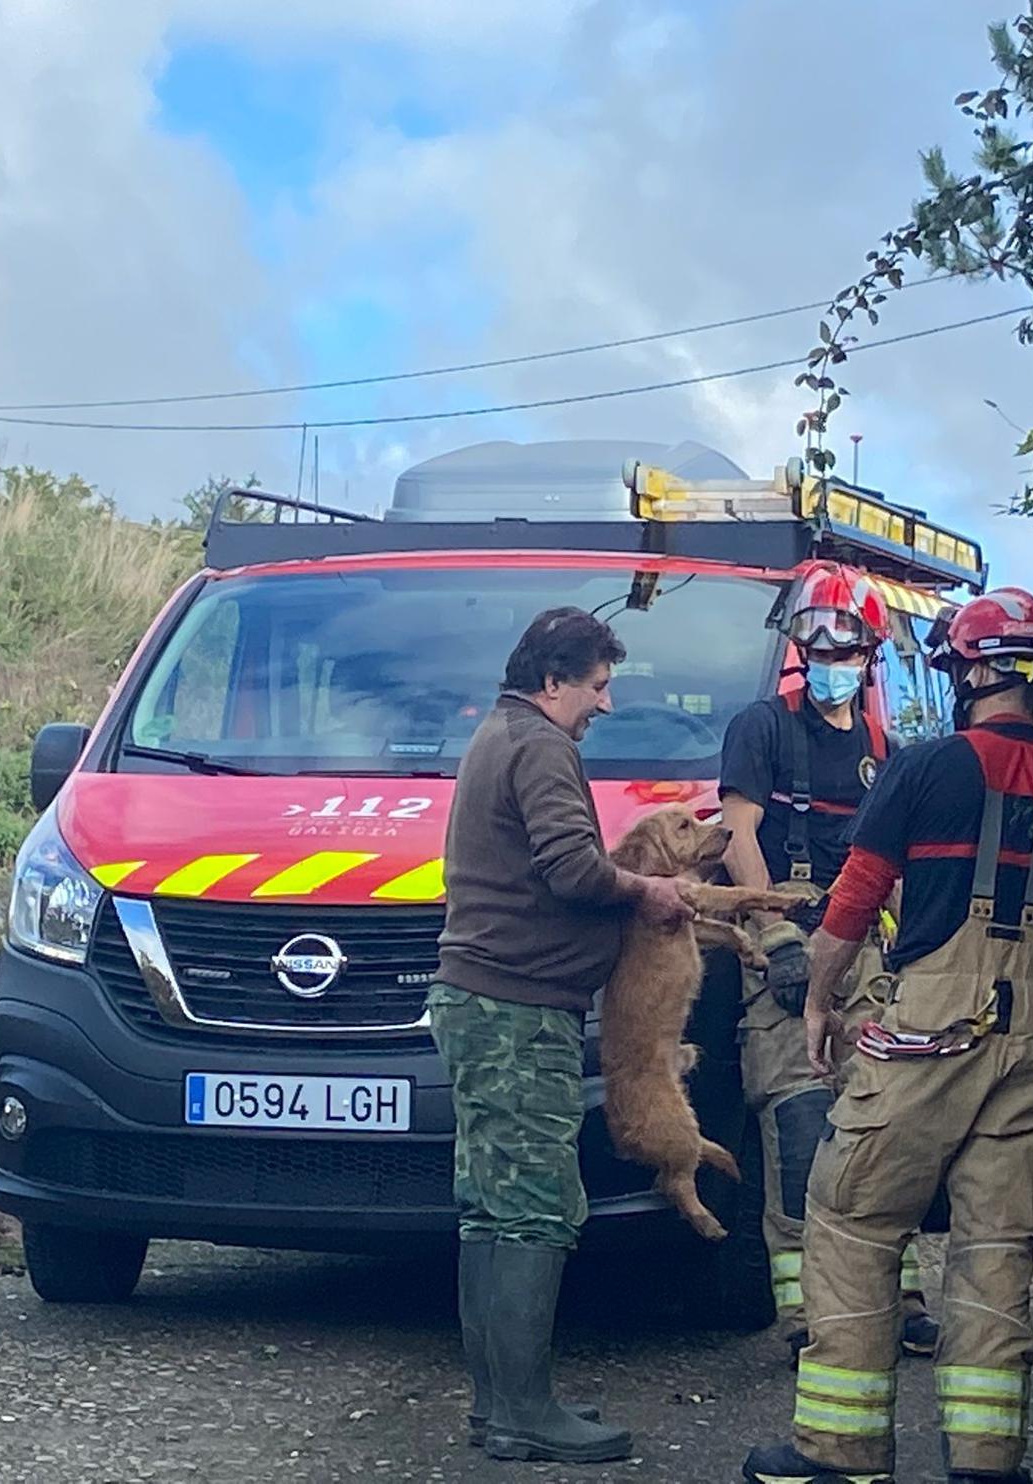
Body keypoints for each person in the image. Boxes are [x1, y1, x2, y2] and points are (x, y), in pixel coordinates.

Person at [744, 588, 1033, 1484]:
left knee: (850, 1217)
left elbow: (856, 895)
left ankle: (838, 1453)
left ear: (968, 672)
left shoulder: (922, 770)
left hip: (927, 1035)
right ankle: (986, 1463)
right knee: (997, 1247)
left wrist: (819, 1001)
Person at [430, 606, 694, 1466]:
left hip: (479, 1000)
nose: (604, 705)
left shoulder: (494, 736)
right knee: (536, 1207)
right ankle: (526, 1410)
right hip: (517, 1010)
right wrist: (646, 894)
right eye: (598, 686)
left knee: (488, 1208)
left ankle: (498, 1400)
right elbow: (574, 870)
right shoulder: (542, 748)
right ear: (554, 682)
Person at [717, 562, 938, 1364]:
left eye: (845, 645)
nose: (829, 657)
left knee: (883, 1130)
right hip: (785, 946)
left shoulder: (889, 751)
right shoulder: (762, 729)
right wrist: (774, 938)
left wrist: (918, 961)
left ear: (870, 653)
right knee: (800, 1124)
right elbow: (739, 836)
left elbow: (905, 871)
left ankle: (899, 1299)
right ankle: (807, 1310)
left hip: (867, 959)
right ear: (795, 645)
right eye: (815, 642)